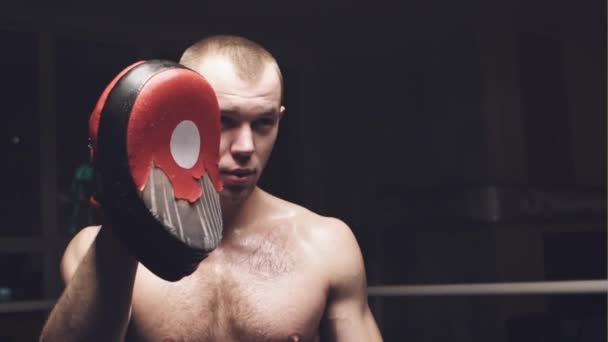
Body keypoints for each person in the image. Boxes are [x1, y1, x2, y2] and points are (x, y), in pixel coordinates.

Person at [40, 35, 383, 342]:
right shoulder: (95, 250)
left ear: (279, 118)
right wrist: (123, 223)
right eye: (224, 120)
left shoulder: (326, 244)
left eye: (263, 122)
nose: (246, 146)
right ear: (180, 118)